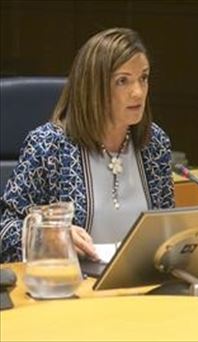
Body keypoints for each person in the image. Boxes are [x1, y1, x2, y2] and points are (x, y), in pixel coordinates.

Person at [0, 28, 175, 263]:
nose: (138, 92)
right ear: (94, 87)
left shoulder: (154, 144)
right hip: (70, 287)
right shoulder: (49, 146)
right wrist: (52, 236)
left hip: (140, 285)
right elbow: (5, 231)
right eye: (122, 81)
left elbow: (166, 230)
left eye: (143, 78)